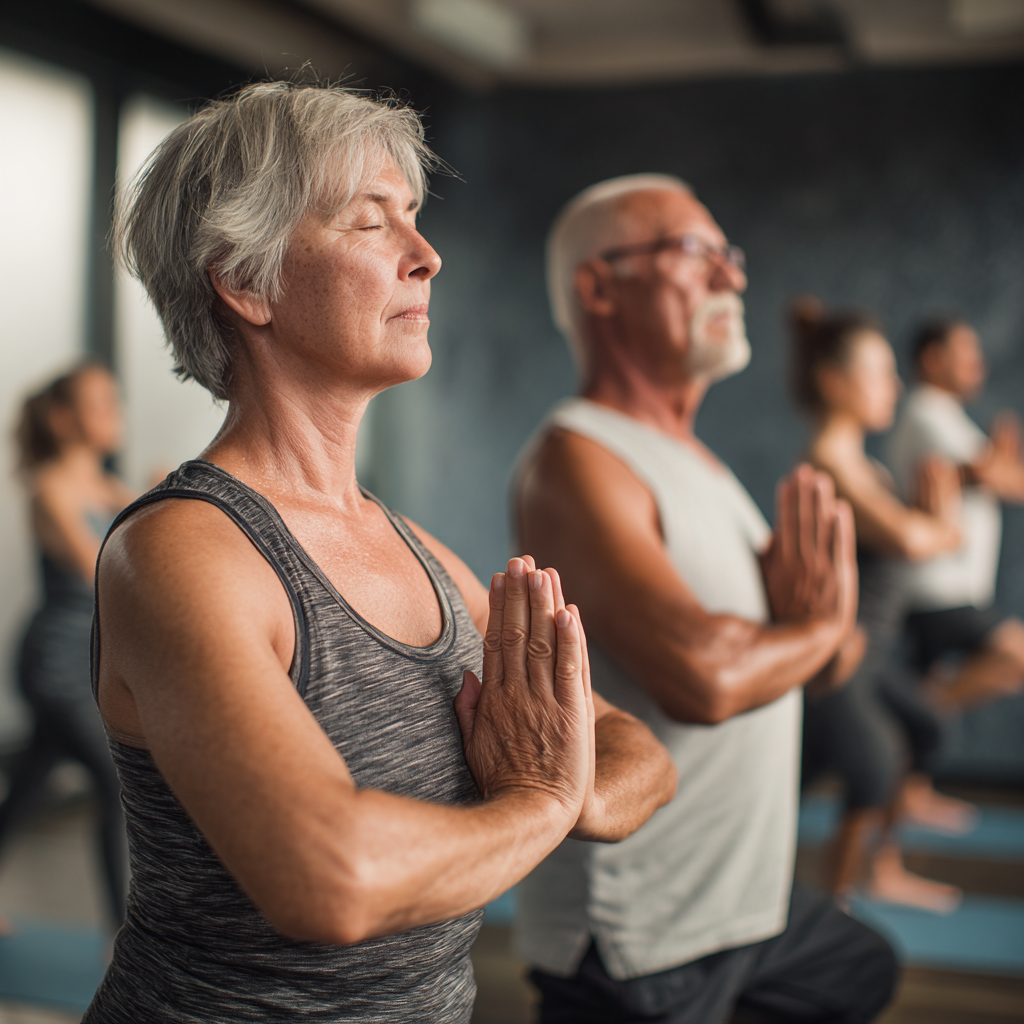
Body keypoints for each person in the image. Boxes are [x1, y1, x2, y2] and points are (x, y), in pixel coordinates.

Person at [85, 83, 676, 1023]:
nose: (427, 256)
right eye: (371, 223)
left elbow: (637, 749)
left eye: (415, 218)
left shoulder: (417, 551)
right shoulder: (183, 554)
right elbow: (334, 877)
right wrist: (542, 800)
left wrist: (560, 791)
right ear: (247, 281)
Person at [512, 175, 896, 1024]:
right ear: (599, 287)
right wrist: (820, 626)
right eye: (695, 253)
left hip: (744, 901)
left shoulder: (698, 463)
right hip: (648, 933)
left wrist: (809, 639)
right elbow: (708, 676)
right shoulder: (579, 459)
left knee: (859, 968)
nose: (732, 278)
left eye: (731, 256)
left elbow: (796, 660)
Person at [792, 298, 976, 913]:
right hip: (837, 660)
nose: (894, 384)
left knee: (920, 728)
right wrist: (942, 524)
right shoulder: (829, 464)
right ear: (834, 382)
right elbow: (907, 537)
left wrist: (933, 524)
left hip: (869, 654)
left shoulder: (861, 462)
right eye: (880, 372)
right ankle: (833, 904)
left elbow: (912, 532)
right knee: (870, 767)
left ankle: (874, 871)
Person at [2, 364, 133, 929]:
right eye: (99, 403)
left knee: (33, 778)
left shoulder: (108, 488)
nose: (113, 414)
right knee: (117, 781)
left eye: (114, 402)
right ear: (63, 420)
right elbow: (101, 572)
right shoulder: (49, 488)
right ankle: (123, 938)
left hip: (91, 662)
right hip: (55, 663)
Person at [887, 317, 1024, 707]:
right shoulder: (926, 409)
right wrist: (999, 469)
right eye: (966, 352)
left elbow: (1000, 475)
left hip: (952, 587)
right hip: (937, 588)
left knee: (916, 746)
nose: (977, 363)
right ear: (932, 358)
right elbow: (988, 474)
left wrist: (1002, 470)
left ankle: (915, 727)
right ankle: (922, 711)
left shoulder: (948, 416)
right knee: (1015, 657)